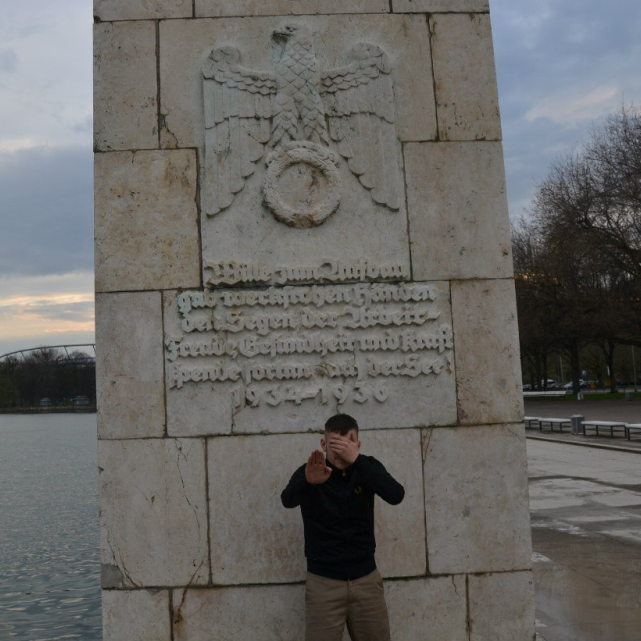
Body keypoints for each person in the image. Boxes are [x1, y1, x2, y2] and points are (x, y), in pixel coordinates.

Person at [281, 413, 405, 641]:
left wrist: (358, 460)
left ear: (357, 445)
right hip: (323, 582)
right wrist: (309, 482)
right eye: (334, 445)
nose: (339, 452)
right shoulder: (311, 470)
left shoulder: (367, 468)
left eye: (346, 445)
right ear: (323, 444)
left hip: (366, 579)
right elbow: (287, 499)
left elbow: (396, 495)